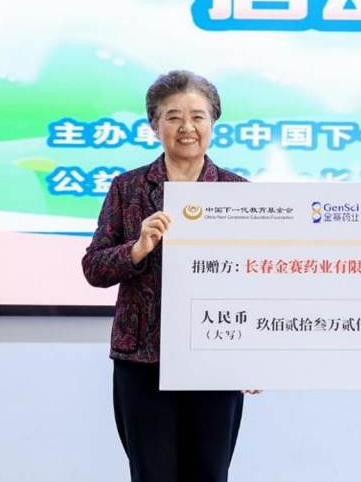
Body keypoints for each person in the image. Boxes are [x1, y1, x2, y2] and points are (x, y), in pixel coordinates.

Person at [82, 70, 253, 482]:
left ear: (213, 122)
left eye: (197, 116)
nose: (186, 127)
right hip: (142, 361)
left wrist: (254, 357)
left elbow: (256, 282)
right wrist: (136, 249)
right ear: (154, 125)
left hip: (215, 360)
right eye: (173, 117)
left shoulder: (239, 193)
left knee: (209, 473)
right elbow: (94, 268)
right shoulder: (127, 188)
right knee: (151, 474)